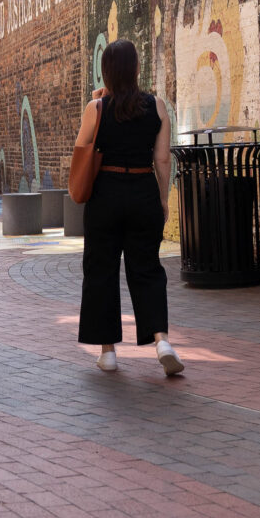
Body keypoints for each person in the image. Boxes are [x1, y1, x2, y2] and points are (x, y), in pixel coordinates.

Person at [74, 39, 184, 377]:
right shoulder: (157, 107)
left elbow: (82, 148)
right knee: (147, 269)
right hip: (142, 193)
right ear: (136, 69)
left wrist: (97, 103)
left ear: (105, 71)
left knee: (100, 270)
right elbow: (162, 158)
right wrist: (163, 200)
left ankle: (108, 352)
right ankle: (161, 341)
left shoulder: (97, 109)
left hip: (105, 195)